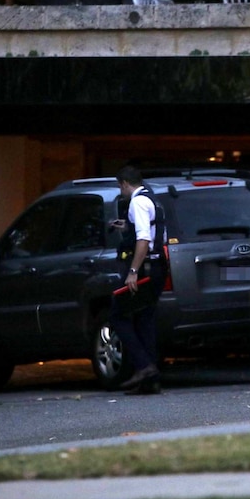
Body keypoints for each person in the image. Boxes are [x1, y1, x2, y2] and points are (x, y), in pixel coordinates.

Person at [109, 165, 167, 395]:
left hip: (145, 268)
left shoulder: (137, 202)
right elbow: (149, 230)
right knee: (144, 318)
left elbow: (143, 240)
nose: (120, 190)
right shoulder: (153, 199)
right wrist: (127, 226)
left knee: (118, 315)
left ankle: (144, 367)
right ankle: (150, 382)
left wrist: (133, 271)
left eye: (119, 186)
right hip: (158, 267)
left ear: (124, 183)